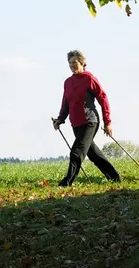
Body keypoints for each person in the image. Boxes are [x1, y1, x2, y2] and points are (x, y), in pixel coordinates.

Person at [52, 49, 121, 186]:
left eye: (75, 62)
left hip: (90, 122)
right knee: (93, 154)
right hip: (75, 123)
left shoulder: (90, 79)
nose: (72, 65)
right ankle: (115, 178)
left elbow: (103, 99)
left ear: (82, 63)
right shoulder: (67, 82)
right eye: (70, 63)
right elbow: (66, 102)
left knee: (76, 152)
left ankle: (66, 183)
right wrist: (60, 119)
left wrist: (108, 122)